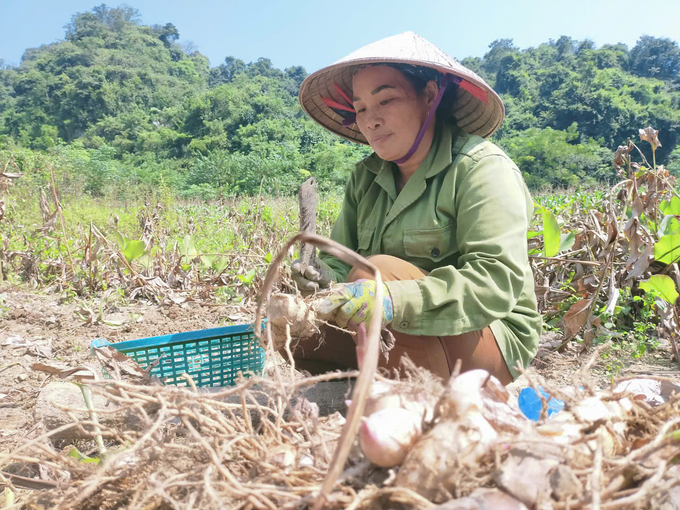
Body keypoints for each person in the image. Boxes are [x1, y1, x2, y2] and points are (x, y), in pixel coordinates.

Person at [290, 32, 541, 385]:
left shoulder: (481, 168)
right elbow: (341, 263)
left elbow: (495, 282)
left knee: (377, 271)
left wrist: (392, 298)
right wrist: (319, 274)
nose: (371, 120)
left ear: (429, 96)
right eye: (360, 108)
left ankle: (410, 396)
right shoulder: (365, 178)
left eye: (386, 100)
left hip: (488, 336)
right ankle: (377, 385)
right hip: (390, 332)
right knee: (288, 328)